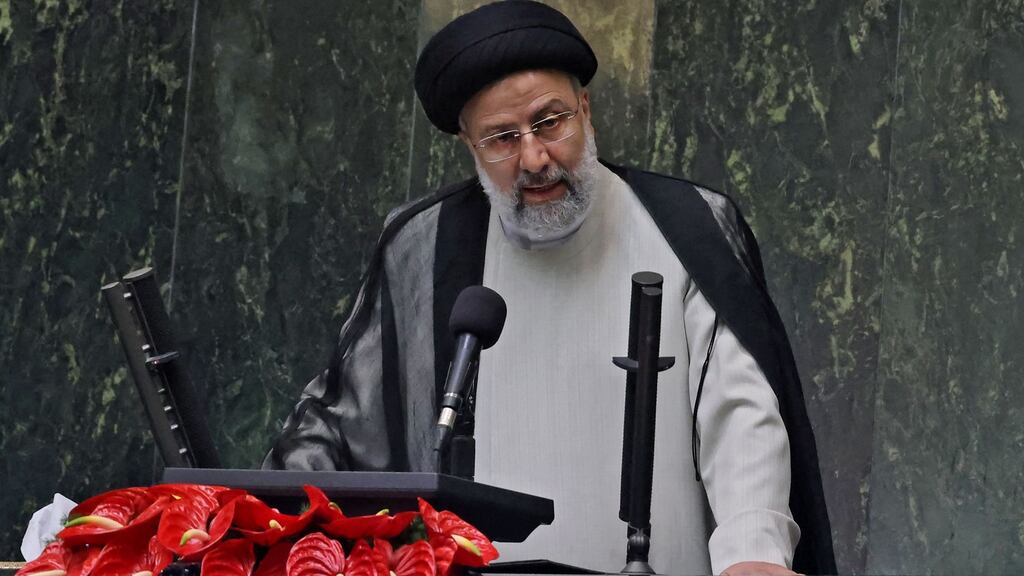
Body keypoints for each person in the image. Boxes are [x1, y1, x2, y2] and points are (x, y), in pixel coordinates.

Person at [265, 2, 835, 575]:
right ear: (469, 145)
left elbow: (739, 414)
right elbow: (343, 421)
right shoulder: (425, 243)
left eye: (550, 122)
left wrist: (753, 552)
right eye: (502, 138)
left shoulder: (687, 224)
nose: (535, 158)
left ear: (585, 110)